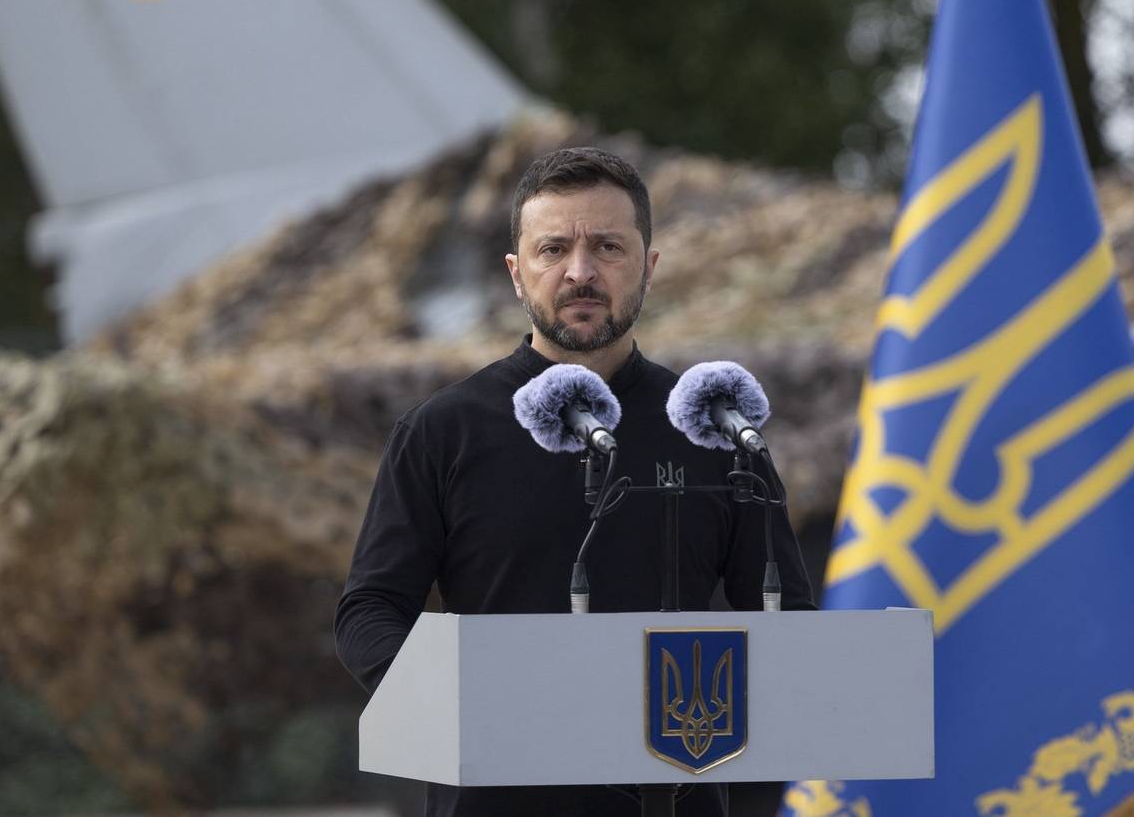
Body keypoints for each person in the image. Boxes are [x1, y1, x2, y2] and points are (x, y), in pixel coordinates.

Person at [335, 146, 817, 817]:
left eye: (608, 248)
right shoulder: (442, 432)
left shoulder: (714, 428)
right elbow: (370, 612)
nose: (580, 272)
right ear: (516, 273)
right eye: (553, 249)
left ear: (649, 266)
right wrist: (458, 710)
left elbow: (788, 627)